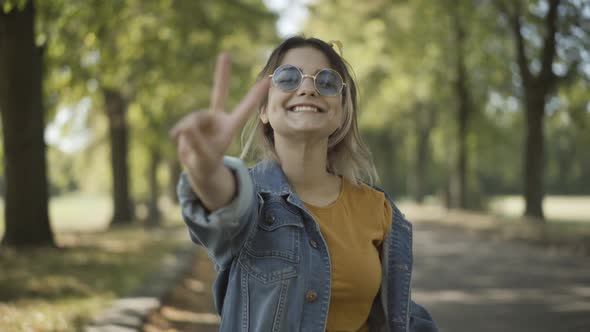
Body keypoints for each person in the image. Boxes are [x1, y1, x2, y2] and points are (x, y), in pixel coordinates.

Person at [171, 36, 438, 332]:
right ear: (264, 110)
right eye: (288, 78)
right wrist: (206, 170)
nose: (308, 88)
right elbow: (225, 202)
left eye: (326, 82)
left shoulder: (377, 209)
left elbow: (400, 314)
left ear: (341, 112)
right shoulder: (248, 198)